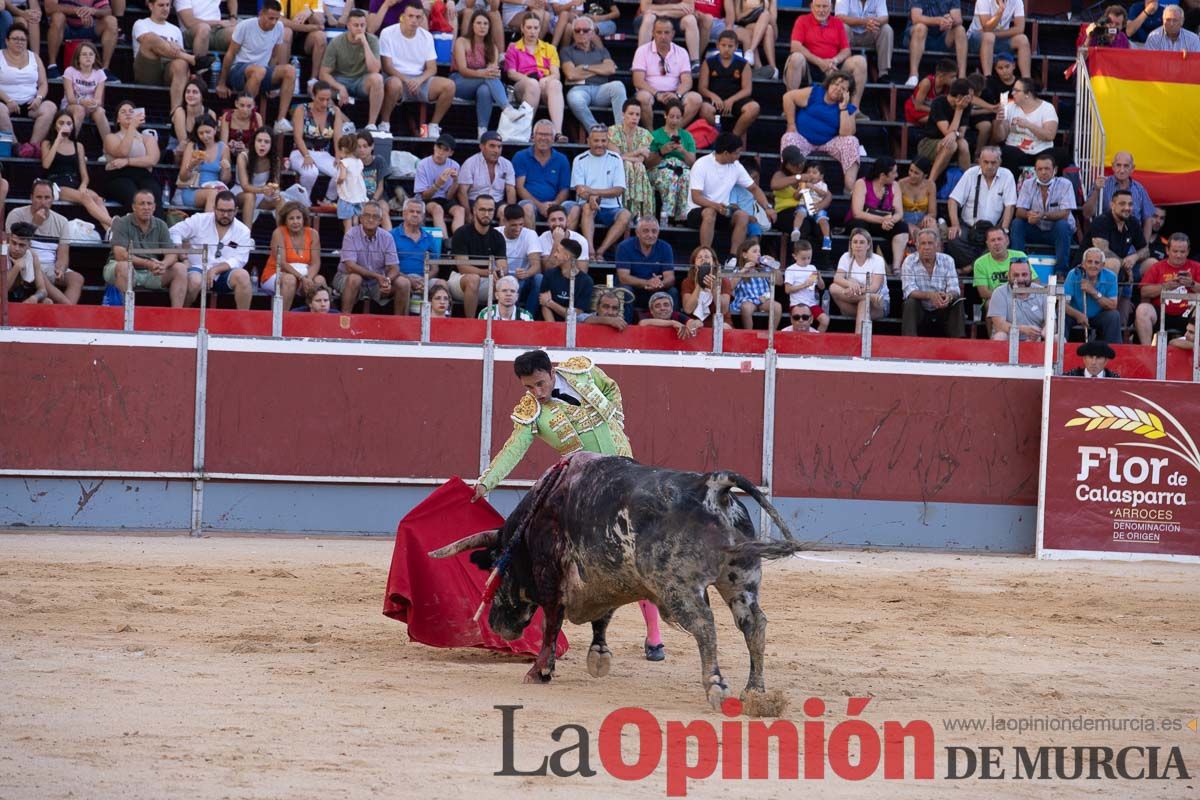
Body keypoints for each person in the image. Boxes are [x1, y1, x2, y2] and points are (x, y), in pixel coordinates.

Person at [471, 349, 667, 662]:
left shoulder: (582, 372)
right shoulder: (531, 412)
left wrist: (616, 414)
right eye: (528, 388)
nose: (537, 392)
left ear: (551, 371)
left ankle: (654, 636)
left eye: (539, 383)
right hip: (587, 486)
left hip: (630, 472)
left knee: (645, 551)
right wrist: (486, 482)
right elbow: (513, 449)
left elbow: (610, 387)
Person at [686, 132, 774, 255]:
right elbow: (696, 197)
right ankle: (706, 255)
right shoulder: (701, 164)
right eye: (737, 153)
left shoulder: (736, 166)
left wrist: (767, 208)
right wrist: (716, 206)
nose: (739, 156)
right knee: (710, 212)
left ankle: (733, 259)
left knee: (743, 216)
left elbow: (754, 188)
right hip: (697, 211)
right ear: (726, 153)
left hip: (723, 211)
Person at [217, 0, 296, 136]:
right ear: (261, 14)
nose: (273, 22)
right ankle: (249, 117)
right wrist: (222, 83)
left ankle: (280, 120)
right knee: (259, 71)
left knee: (290, 70)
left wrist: (270, 83)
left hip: (262, 69)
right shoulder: (245, 26)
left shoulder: (279, 27)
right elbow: (230, 54)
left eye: (276, 19)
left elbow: (275, 56)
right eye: (270, 18)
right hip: (239, 69)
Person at [168, 190, 255, 309]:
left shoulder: (243, 230)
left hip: (224, 273)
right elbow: (174, 231)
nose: (225, 215)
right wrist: (180, 249)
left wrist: (216, 269)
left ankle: (243, 320)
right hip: (197, 268)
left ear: (236, 210)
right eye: (221, 211)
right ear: (214, 209)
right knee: (195, 281)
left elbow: (240, 259)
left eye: (229, 211)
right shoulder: (200, 220)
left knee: (243, 276)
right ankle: (182, 315)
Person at [380, 5, 456, 137]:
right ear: (402, 17)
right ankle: (384, 123)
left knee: (449, 86)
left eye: (418, 17)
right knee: (394, 84)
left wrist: (418, 80)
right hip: (397, 78)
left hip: (420, 80)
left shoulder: (427, 36)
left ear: (422, 19)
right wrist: (407, 80)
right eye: (410, 16)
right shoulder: (387, 33)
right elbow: (387, 66)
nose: (414, 20)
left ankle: (434, 125)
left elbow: (432, 68)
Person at [103, 191, 186, 307]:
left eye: (149, 204)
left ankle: (176, 316)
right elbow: (120, 255)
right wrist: (148, 263)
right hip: (121, 267)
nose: (146, 207)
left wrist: (163, 264)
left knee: (180, 268)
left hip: (151, 271)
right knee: (124, 266)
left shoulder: (161, 224)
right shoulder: (121, 223)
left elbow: (172, 253)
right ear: (133, 207)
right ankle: (124, 317)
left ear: (154, 207)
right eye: (142, 204)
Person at [781, 71, 861, 189]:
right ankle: (791, 184)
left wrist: (843, 108)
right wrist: (791, 124)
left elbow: (845, 133)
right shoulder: (815, 92)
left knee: (852, 141)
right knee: (788, 137)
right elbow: (788, 97)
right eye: (835, 84)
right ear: (829, 84)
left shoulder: (849, 108)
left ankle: (850, 187)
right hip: (803, 138)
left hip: (828, 142)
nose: (838, 89)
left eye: (843, 88)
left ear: (847, 93)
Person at [784, 0, 868, 112]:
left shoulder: (837, 23)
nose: (821, 10)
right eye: (818, 6)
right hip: (809, 66)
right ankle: (790, 107)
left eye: (825, 6)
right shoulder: (802, 20)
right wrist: (820, 62)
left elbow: (846, 50)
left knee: (860, 61)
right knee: (795, 58)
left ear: (831, 7)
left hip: (833, 68)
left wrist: (834, 61)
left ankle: (854, 109)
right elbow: (795, 46)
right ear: (811, 7)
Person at [6, 179, 80, 304]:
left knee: (77, 279)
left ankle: (62, 312)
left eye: (47, 198)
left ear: (52, 199)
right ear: (31, 198)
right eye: (39, 197)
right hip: (25, 262)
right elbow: (14, 245)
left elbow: (63, 254)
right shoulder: (16, 214)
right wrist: (34, 224)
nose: (43, 202)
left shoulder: (62, 221)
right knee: (37, 268)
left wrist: (60, 268)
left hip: (50, 266)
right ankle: (68, 310)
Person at [40, 109, 112, 235]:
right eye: (61, 123)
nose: (65, 126)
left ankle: (110, 232)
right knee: (84, 197)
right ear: (55, 125)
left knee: (97, 198)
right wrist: (57, 140)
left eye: (68, 123)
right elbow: (46, 165)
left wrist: (83, 185)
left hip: (74, 182)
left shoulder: (78, 146)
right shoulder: (47, 143)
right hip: (57, 183)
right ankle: (113, 223)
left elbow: (84, 174)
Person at [1089, 189, 1154, 326]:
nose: (1127, 208)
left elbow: (1145, 250)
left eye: (1130, 204)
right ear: (1112, 205)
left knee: (1152, 263)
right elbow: (1103, 251)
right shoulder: (1102, 221)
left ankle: (1144, 311)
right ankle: (1108, 309)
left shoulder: (1132, 222)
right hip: (1093, 269)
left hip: (1124, 269)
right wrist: (1125, 265)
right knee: (1113, 264)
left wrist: (1135, 257)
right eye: (1122, 204)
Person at [945, 147, 1016, 270]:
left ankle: (969, 268)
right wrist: (955, 224)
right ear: (979, 161)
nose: (989, 166)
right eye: (986, 162)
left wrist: (1004, 229)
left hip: (993, 229)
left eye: (993, 162)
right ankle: (982, 264)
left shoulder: (1007, 175)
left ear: (999, 162)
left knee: (1001, 242)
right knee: (954, 239)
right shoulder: (970, 174)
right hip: (969, 227)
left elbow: (1010, 206)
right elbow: (953, 200)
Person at [320, 10, 392, 131]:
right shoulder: (336, 42)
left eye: (362, 25)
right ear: (348, 26)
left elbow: (375, 69)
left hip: (361, 82)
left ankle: (371, 124)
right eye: (356, 25)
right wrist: (340, 87)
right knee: (316, 89)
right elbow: (323, 73)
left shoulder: (372, 40)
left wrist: (364, 43)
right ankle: (345, 121)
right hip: (341, 80)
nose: (359, 28)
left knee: (378, 79)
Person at [132, 0, 208, 113]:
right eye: (161, 5)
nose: (165, 8)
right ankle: (192, 59)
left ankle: (176, 113)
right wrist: (169, 44)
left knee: (181, 63)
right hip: (148, 68)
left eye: (168, 5)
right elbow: (146, 41)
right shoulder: (141, 23)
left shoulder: (175, 30)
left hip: (169, 70)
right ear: (151, 6)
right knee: (150, 38)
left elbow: (180, 57)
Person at [572, 125, 632, 260]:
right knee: (588, 208)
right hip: (586, 205)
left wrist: (593, 193)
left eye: (603, 141)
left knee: (626, 215)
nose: (600, 144)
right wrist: (591, 197)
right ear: (588, 141)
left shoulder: (615, 158)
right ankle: (590, 252)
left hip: (612, 208)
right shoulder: (580, 160)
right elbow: (581, 190)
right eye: (596, 141)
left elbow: (619, 190)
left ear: (608, 141)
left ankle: (601, 251)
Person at [333, 200, 404, 314]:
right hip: (347, 277)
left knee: (403, 283)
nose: (370, 219)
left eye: (375, 216)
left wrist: (387, 280)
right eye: (367, 215)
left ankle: (401, 325)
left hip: (376, 282)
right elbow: (350, 267)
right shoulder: (350, 235)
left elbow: (394, 267)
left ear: (380, 221)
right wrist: (377, 276)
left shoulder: (387, 237)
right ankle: (344, 320)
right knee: (355, 278)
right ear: (360, 218)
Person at [1010, 153, 1076, 276]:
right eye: (1040, 169)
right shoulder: (1028, 184)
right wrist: (1029, 215)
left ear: (1055, 170)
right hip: (1035, 228)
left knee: (1062, 225)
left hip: (1055, 231)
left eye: (1047, 169)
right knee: (1017, 223)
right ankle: (1016, 265)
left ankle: (1061, 271)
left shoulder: (1065, 184)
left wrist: (1042, 215)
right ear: (1035, 171)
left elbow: (1065, 214)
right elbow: (1019, 211)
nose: (1043, 172)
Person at [505, 15, 568, 142]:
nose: (532, 31)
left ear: (540, 29)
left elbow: (556, 74)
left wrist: (545, 80)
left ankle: (558, 132)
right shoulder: (514, 48)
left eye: (535, 28)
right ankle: (526, 130)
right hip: (522, 86)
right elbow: (511, 73)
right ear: (522, 28)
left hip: (543, 83)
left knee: (555, 84)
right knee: (532, 84)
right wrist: (530, 80)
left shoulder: (550, 48)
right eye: (529, 27)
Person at [631, 18, 703, 127]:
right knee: (642, 98)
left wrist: (677, 94)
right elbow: (638, 81)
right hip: (651, 92)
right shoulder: (642, 51)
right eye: (659, 32)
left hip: (674, 93)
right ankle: (651, 136)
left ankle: (673, 133)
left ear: (673, 34)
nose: (663, 36)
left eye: (667, 32)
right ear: (653, 33)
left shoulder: (681, 52)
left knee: (696, 99)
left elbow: (687, 81)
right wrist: (657, 93)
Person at [560, 16, 626, 134]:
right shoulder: (566, 51)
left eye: (585, 30)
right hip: (579, 89)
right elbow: (571, 74)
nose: (581, 33)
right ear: (573, 33)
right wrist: (599, 70)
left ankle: (621, 132)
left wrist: (585, 68)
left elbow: (611, 69)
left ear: (592, 33)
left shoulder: (602, 51)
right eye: (577, 30)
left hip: (601, 89)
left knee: (618, 85)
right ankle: (595, 130)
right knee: (574, 99)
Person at [0, 24, 57, 153]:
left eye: (23, 39)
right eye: (15, 39)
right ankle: (15, 146)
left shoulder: (34, 57)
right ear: (7, 41)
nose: (19, 42)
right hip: (5, 102)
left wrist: (39, 98)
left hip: (30, 103)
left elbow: (43, 83)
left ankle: (32, 147)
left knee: (50, 107)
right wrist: (8, 100)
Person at [288, 81, 350, 200]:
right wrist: (306, 155)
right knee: (311, 173)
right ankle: (304, 200)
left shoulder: (334, 111)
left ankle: (328, 199)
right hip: (301, 151)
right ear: (313, 96)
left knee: (342, 172)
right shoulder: (302, 109)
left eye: (327, 99)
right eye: (321, 99)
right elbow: (297, 136)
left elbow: (338, 135)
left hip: (322, 153)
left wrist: (338, 155)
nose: (324, 103)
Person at [450, 194, 508, 318]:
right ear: (474, 210)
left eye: (490, 210)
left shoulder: (497, 236)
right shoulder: (461, 233)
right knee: (473, 279)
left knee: (510, 283)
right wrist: (489, 272)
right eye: (482, 209)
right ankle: (470, 323)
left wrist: (500, 273)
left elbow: (503, 266)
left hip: (486, 279)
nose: (486, 214)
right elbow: (463, 268)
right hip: (460, 280)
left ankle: (503, 323)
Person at [453, 10, 508, 138]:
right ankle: (507, 108)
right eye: (478, 23)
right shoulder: (462, 41)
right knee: (487, 78)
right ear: (472, 25)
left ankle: (482, 130)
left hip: (481, 85)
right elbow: (462, 70)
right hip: (460, 82)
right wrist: (482, 73)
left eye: (485, 24)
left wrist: (488, 72)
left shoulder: (492, 47)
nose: (482, 26)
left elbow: (493, 72)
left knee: (485, 90)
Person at [262, 200, 326, 311]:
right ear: (285, 221)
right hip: (277, 273)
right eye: (291, 218)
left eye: (298, 218)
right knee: (290, 280)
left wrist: (308, 279)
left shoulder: (313, 234)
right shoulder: (279, 232)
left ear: (304, 219)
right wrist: (301, 278)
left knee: (319, 280)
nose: (295, 222)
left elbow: (316, 263)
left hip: (305, 276)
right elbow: (281, 262)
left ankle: (319, 322)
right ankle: (281, 320)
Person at [1135, 233, 1198, 345]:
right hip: (1161, 312)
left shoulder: (1196, 267)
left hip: (1188, 314)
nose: (1178, 255)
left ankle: (1195, 352)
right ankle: (1148, 351)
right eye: (1175, 251)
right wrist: (1164, 286)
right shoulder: (1157, 267)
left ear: (1188, 252)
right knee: (1142, 309)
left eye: (1182, 252)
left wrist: (1192, 284)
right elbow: (1144, 292)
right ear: (1167, 250)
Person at [901, 227, 964, 337]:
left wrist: (948, 296)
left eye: (930, 243)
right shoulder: (909, 261)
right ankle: (908, 341)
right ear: (916, 246)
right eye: (923, 243)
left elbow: (954, 289)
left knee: (957, 301)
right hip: (920, 310)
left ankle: (958, 342)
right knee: (910, 302)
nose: (926, 247)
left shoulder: (948, 260)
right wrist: (930, 295)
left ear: (937, 245)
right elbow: (909, 290)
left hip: (942, 308)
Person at [848, 156, 907, 275]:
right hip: (865, 221)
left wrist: (890, 221)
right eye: (894, 172)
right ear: (883, 175)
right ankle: (864, 264)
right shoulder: (862, 183)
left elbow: (899, 213)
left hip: (885, 223)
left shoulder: (895, 186)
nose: (896, 175)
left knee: (902, 227)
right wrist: (882, 220)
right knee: (859, 225)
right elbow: (857, 212)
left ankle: (896, 267)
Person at [1081, 152, 1157, 243]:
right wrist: (1096, 190)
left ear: (1132, 168)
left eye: (1126, 166)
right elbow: (1087, 214)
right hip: (1107, 241)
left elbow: (1148, 219)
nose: (1121, 170)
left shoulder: (1139, 189)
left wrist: (1144, 247)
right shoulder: (1102, 184)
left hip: (1132, 243)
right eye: (1118, 165)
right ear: (1113, 166)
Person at [103, 101, 163, 214]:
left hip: (143, 175)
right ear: (117, 119)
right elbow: (122, 152)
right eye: (123, 112)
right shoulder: (111, 137)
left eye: (131, 111)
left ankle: (156, 229)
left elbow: (152, 160)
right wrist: (131, 128)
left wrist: (127, 161)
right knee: (132, 195)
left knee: (153, 193)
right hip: (119, 175)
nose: (128, 114)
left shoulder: (147, 138)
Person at [699, 30, 760, 139]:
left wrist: (732, 100)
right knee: (704, 108)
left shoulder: (743, 63)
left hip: (736, 100)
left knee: (754, 108)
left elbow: (747, 90)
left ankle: (733, 137)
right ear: (718, 45)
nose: (726, 49)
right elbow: (702, 88)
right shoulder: (708, 62)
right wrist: (713, 96)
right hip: (715, 100)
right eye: (723, 45)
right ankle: (719, 133)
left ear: (736, 46)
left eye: (730, 46)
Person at [515, 119, 576, 228]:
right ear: (533, 136)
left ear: (553, 138)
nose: (544, 138)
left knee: (573, 207)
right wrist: (540, 206)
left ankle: (565, 243)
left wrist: (555, 204)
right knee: (527, 207)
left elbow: (564, 189)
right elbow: (520, 187)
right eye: (540, 134)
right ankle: (531, 244)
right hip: (531, 204)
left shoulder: (562, 159)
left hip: (555, 205)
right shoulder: (521, 157)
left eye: (548, 135)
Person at [615, 215, 676, 322]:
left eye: (654, 231)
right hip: (633, 288)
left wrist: (660, 284)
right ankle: (625, 328)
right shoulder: (624, 246)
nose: (650, 235)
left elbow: (670, 278)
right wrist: (647, 283)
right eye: (646, 231)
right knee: (625, 291)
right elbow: (623, 277)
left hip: (655, 289)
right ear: (637, 233)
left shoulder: (665, 247)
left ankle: (672, 327)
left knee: (672, 292)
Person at [645, 99, 696, 226]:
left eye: (678, 117)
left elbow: (692, 163)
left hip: (681, 168)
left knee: (687, 176)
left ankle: (682, 218)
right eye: (671, 116)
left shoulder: (687, 136)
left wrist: (683, 151)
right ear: (665, 115)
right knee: (670, 176)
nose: (674, 120)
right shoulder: (655, 135)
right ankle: (667, 216)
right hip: (659, 169)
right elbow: (647, 163)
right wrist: (662, 152)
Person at [994, 78, 1059, 173]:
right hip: (1014, 148)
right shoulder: (1009, 107)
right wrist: (998, 123)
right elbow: (999, 138)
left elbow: (1050, 136)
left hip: (1040, 150)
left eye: (1016, 91)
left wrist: (1028, 125)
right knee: (1006, 152)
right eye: (1013, 90)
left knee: (1059, 155)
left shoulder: (1047, 108)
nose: (1012, 93)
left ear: (1027, 94)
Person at [830, 227, 888, 332]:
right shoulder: (846, 257)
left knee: (864, 302)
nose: (858, 245)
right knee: (833, 287)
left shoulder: (878, 260)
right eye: (855, 242)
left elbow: (874, 288)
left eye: (862, 242)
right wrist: (850, 284)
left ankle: (858, 340)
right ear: (851, 244)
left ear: (869, 245)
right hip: (850, 303)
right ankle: (870, 297)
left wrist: (856, 291)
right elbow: (837, 278)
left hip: (877, 306)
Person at [772, 151, 832, 250]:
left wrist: (820, 205)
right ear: (786, 164)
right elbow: (774, 185)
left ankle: (824, 262)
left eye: (800, 162)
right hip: (786, 210)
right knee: (804, 226)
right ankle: (797, 260)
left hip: (810, 208)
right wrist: (798, 178)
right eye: (795, 164)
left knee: (821, 225)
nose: (799, 166)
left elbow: (827, 194)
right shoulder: (781, 174)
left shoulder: (809, 174)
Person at [917, 76, 972, 183]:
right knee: (951, 144)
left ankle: (968, 183)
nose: (971, 99)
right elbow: (946, 132)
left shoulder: (967, 105)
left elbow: (961, 133)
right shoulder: (939, 103)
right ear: (960, 97)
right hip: (929, 143)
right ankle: (931, 182)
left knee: (963, 143)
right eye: (969, 96)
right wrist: (959, 110)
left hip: (952, 143)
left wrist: (954, 133)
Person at [45, 0, 117, 81]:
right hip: (65, 26)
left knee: (111, 21)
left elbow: (107, 10)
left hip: (88, 25)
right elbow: (49, 8)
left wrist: (92, 11)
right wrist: (77, 10)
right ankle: (52, 66)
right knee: (57, 17)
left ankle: (105, 70)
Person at [390, 197, 439, 314]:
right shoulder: (391, 235)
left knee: (442, 285)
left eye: (418, 212)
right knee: (404, 283)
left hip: (424, 278)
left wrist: (424, 280)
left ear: (423, 216)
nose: (415, 215)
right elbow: (388, 267)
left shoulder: (429, 238)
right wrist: (409, 279)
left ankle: (440, 325)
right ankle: (401, 322)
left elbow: (435, 268)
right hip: (399, 277)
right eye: (411, 211)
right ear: (404, 214)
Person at [608, 100, 655, 220]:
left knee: (637, 166)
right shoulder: (613, 131)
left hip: (637, 171)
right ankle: (626, 208)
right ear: (623, 114)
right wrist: (637, 151)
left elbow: (640, 160)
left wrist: (630, 156)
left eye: (637, 115)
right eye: (631, 114)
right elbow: (616, 157)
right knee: (627, 164)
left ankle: (638, 212)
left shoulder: (644, 134)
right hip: (615, 170)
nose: (634, 117)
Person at [1062, 247, 1120, 344]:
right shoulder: (1074, 274)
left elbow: (1113, 305)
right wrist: (1078, 315)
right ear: (1083, 264)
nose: (1093, 266)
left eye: (1097, 263)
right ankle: (1060, 347)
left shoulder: (1111, 277)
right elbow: (1063, 304)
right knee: (1062, 314)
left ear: (1102, 265)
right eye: (1089, 262)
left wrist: (1093, 292)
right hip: (1076, 314)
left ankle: (1113, 352)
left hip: (1098, 315)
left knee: (1114, 316)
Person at [175, 114, 232, 213]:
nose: (205, 136)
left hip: (215, 187)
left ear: (215, 130)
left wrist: (226, 169)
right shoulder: (192, 146)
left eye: (208, 132)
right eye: (201, 133)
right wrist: (192, 165)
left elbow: (225, 180)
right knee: (213, 194)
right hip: (193, 190)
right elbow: (183, 177)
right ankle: (207, 227)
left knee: (223, 196)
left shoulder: (223, 148)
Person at [903, 0, 966, 86]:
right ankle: (913, 75)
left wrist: (949, 21)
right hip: (918, 37)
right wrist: (938, 20)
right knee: (920, 27)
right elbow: (916, 18)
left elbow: (958, 19)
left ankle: (962, 78)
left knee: (960, 30)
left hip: (942, 36)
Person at [498, 202, 545, 315]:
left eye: (521, 224)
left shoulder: (530, 234)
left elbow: (536, 266)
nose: (518, 228)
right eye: (514, 225)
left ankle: (528, 316)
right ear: (504, 221)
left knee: (539, 278)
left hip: (523, 278)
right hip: (501, 278)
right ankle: (510, 315)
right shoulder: (495, 233)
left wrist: (526, 273)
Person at [414, 133, 464, 239]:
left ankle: (458, 242)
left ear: (451, 153)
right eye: (438, 147)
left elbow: (449, 197)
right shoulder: (423, 164)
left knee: (460, 210)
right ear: (434, 146)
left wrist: (455, 181)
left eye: (445, 150)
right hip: (427, 199)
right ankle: (444, 242)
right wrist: (438, 184)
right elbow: (424, 196)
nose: (440, 152)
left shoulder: (454, 165)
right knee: (437, 209)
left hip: (444, 198)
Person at [967, 0, 1031, 79]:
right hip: (976, 40)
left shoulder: (1017, 1)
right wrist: (1000, 11)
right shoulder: (983, 1)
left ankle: (1027, 80)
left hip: (998, 38)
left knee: (1023, 39)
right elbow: (987, 28)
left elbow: (1020, 28)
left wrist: (995, 34)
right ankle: (988, 78)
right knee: (989, 36)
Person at [457, 130, 517, 214]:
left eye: (499, 147)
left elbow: (510, 190)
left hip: (497, 202)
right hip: (475, 201)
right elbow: (462, 191)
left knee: (505, 211)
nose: (496, 150)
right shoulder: (470, 163)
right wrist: (467, 215)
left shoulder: (507, 164)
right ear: (482, 146)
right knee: (480, 211)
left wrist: (511, 214)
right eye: (492, 146)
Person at [834, 0, 892, 84]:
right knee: (843, 27)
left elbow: (885, 17)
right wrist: (864, 22)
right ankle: (845, 70)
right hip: (850, 33)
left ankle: (883, 73)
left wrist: (873, 22)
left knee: (887, 29)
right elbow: (839, 17)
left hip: (870, 33)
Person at [234, 127, 282, 228]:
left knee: (280, 199)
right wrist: (262, 190)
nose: (262, 144)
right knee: (250, 196)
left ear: (271, 144)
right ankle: (246, 237)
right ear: (254, 142)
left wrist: (275, 191)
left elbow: (276, 184)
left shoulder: (275, 159)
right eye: (259, 140)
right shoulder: (243, 157)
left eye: (266, 142)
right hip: (241, 193)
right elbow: (245, 186)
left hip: (261, 194)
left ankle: (282, 237)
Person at [730, 237, 782, 330]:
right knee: (746, 308)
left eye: (759, 252)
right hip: (747, 300)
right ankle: (749, 334)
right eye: (754, 251)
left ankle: (771, 335)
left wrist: (773, 265)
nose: (758, 254)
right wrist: (744, 271)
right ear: (745, 255)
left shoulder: (764, 269)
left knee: (777, 307)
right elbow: (730, 286)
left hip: (763, 300)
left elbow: (779, 282)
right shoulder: (738, 270)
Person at [279, 0, 332, 90]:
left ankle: (313, 81)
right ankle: (280, 77)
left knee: (320, 36)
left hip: (306, 39)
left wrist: (310, 12)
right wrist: (306, 28)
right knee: (286, 32)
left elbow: (320, 22)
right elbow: (279, 20)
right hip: (288, 34)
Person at [988, 256, 1044, 341]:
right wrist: (1023, 330)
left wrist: (1043, 333)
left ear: (1031, 275)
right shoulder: (999, 292)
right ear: (1008, 276)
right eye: (1016, 275)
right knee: (1000, 336)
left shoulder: (1042, 292)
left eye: (1024, 274)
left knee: (1057, 338)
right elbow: (999, 325)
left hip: (1036, 339)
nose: (1020, 279)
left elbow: (1051, 323)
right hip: (1009, 340)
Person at [60, 41, 108, 139]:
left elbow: (98, 99)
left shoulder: (100, 74)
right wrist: (82, 102)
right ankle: (69, 142)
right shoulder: (70, 71)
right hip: (71, 106)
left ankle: (109, 146)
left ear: (95, 57)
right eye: (84, 54)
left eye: (91, 54)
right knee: (80, 110)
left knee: (100, 111)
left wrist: (94, 103)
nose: (88, 57)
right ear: (78, 58)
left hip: (90, 107)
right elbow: (70, 98)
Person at [538, 237, 594, 321]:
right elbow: (544, 305)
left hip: (573, 326)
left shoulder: (586, 282)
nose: (554, 255)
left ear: (566, 257)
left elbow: (576, 314)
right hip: (550, 325)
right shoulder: (549, 274)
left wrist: (551, 303)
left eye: (557, 251)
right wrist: (553, 328)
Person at [680, 245, 732, 327]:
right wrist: (699, 285)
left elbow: (723, 310)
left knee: (724, 327)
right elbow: (688, 309)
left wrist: (714, 288)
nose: (703, 259)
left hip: (720, 322)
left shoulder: (724, 281)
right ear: (694, 263)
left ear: (714, 262)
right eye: (699, 257)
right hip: (696, 322)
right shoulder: (688, 282)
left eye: (707, 257)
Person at [635, 0, 701, 65]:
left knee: (690, 20)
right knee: (649, 18)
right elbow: (645, 8)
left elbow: (689, 8)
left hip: (674, 16)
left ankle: (694, 62)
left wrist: (663, 13)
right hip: (650, 17)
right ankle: (640, 60)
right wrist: (675, 6)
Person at [972, 225, 1025, 304]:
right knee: (990, 303)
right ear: (987, 244)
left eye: (999, 239)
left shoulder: (1020, 256)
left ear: (1007, 241)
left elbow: (1035, 281)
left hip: (1019, 298)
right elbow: (984, 293)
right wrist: (1007, 298)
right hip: (995, 300)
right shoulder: (980, 263)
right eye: (993, 240)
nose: (996, 243)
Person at [783, 238, 828, 332]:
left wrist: (819, 278)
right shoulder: (791, 269)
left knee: (825, 320)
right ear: (795, 256)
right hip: (797, 304)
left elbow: (822, 287)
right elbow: (787, 290)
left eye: (809, 258)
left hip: (811, 304)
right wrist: (804, 285)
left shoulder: (812, 267)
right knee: (800, 323)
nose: (807, 261)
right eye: (803, 258)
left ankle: (816, 340)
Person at [3, 221, 51, 303]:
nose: (16, 248)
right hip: (4, 298)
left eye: (21, 245)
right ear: (9, 240)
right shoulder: (2, 254)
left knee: (47, 301)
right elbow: (2, 290)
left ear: (29, 245)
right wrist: (16, 267)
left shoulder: (33, 257)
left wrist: (35, 297)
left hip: (24, 296)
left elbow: (43, 290)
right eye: (14, 243)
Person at [732, 0, 779, 79]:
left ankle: (750, 51)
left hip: (770, 26)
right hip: (749, 26)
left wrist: (762, 12)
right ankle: (773, 69)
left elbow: (773, 19)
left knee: (766, 18)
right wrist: (754, 10)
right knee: (767, 28)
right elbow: (738, 17)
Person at [169, 78, 212, 163]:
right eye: (188, 92)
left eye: (195, 92)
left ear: (203, 95)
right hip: (178, 150)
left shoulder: (210, 114)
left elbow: (211, 142)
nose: (190, 95)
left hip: (201, 150)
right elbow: (184, 142)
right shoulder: (180, 112)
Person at [538, 204, 590, 273]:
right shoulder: (542, 238)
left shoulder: (580, 240)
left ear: (567, 221)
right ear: (548, 223)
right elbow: (547, 271)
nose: (557, 223)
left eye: (561, 219)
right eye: (553, 220)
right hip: (552, 280)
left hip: (572, 279)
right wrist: (557, 242)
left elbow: (582, 272)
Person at [904, 58, 955, 127]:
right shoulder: (927, 83)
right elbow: (918, 106)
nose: (955, 79)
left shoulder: (948, 87)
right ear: (941, 76)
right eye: (952, 77)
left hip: (933, 112)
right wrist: (938, 111)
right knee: (942, 120)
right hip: (916, 112)